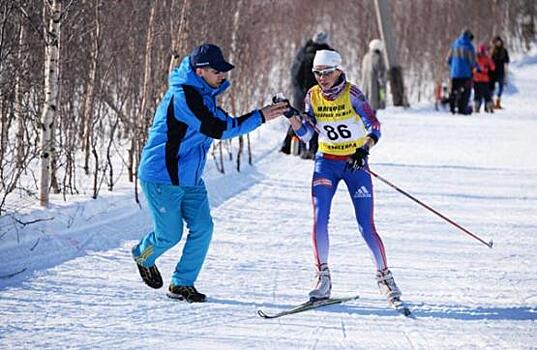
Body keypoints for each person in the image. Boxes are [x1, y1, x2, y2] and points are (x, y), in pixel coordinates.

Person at [131, 43, 289, 302]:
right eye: (218, 71)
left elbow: (226, 123)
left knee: (203, 227)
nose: (222, 76)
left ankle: (182, 283)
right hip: (162, 176)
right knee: (170, 235)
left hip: (189, 178)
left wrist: (262, 115)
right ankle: (143, 254)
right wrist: (260, 116)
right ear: (200, 70)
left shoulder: (203, 95)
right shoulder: (183, 96)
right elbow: (218, 129)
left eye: (224, 71)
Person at [286, 49, 402, 305]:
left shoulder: (353, 94)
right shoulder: (312, 96)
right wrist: (292, 117)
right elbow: (307, 136)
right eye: (318, 73)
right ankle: (322, 277)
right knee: (319, 217)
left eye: (327, 73)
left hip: (353, 164)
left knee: (365, 224)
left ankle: (384, 276)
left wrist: (364, 148)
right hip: (326, 163)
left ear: (338, 70)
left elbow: (375, 125)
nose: (322, 78)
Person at [280, 31, 333, 159]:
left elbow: (295, 74)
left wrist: (299, 91)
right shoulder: (327, 56)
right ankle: (314, 150)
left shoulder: (304, 53)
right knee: (318, 121)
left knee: (302, 120)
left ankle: (302, 149)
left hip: (302, 93)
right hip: (320, 94)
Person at [446, 29, 477, 115]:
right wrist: (475, 67)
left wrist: (453, 67)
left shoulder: (455, 44)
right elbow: (472, 62)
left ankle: (452, 108)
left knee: (454, 91)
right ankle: (462, 109)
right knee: (465, 91)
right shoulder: (469, 46)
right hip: (465, 73)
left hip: (454, 73)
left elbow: (448, 59)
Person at [361, 39, 387, 110]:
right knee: (373, 109)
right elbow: (381, 74)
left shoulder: (366, 57)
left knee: (366, 109)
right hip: (376, 88)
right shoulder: (378, 58)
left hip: (365, 88)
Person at [472, 43, 496, 113]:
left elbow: (472, 66)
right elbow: (493, 67)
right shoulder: (487, 58)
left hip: (476, 79)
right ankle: (489, 107)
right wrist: (486, 68)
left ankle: (476, 107)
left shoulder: (475, 58)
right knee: (487, 95)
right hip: (484, 79)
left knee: (477, 95)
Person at [489, 36, 510, 109]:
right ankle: (491, 103)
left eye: (499, 42)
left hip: (501, 72)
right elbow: (489, 61)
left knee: (501, 88)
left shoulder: (504, 51)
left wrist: (506, 72)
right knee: (492, 88)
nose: (498, 43)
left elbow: (507, 61)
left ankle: (498, 102)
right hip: (492, 72)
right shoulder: (492, 51)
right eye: (497, 42)